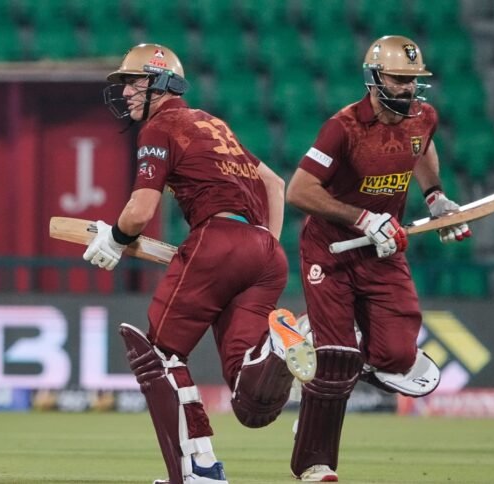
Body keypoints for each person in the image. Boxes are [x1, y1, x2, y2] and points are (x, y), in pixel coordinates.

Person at [84, 43, 316, 484]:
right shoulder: (211, 122)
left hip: (218, 240)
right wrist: (265, 242)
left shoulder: (160, 127)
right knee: (250, 399)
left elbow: (139, 211)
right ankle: (275, 348)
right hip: (266, 253)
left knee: (159, 355)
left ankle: (198, 471)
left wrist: (114, 238)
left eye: (134, 82)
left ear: (161, 83)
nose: (126, 91)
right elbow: (273, 183)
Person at [284, 35, 472, 481]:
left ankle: (329, 345)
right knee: (336, 359)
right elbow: (298, 191)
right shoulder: (342, 127)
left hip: (383, 251)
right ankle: (314, 462)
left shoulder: (423, 116)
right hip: (330, 251)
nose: (408, 88)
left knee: (398, 356)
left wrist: (436, 197)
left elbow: (421, 146)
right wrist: (363, 218)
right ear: (373, 78)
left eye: (412, 80)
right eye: (398, 79)